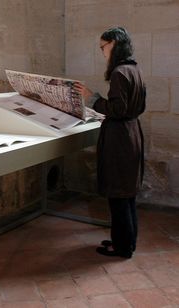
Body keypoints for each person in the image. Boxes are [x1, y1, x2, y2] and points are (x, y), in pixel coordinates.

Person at [74, 27, 146, 259]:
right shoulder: (134, 69)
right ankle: (127, 242)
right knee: (128, 194)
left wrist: (91, 97)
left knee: (118, 196)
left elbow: (116, 109)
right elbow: (136, 107)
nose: (102, 52)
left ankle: (122, 247)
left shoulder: (119, 72)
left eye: (103, 47)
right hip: (132, 133)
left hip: (120, 139)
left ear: (114, 44)